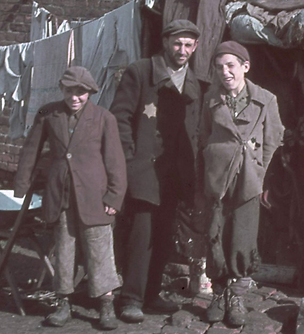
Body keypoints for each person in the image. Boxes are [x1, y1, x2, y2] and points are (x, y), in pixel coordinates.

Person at [14, 66, 127, 330]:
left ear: (90, 92)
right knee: (64, 250)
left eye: (80, 92)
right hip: (61, 195)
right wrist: (21, 186)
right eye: (69, 91)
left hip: (95, 196)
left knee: (99, 250)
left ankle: (106, 305)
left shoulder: (103, 118)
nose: (74, 97)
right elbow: (31, 150)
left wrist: (114, 196)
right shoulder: (49, 114)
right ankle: (63, 303)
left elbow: (115, 162)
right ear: (61, 90)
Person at [110, 19, 208, 322]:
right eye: (177, 43)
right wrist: (129, 159)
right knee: (142, 234)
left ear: (195, 47)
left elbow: (192, 132)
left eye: (188, 45)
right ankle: (131, 298)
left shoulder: (194, 83)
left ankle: (151, 295)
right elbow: (120, 117)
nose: (182, 50)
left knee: (163, 235)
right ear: (165, 42)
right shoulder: (141, 71)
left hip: (175, 173)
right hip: (144, 169)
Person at [199, 41, 284, 327]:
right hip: (217, 179)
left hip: (248, 180)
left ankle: (236, 296)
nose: (225, 72)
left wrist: (257, 171)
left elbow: (273, 139)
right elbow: (203, 135)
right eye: (220, 67)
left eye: (231, 66)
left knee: (243, 238)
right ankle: (218, 294)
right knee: (216, 234)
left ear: (245, 67)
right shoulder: (210, 100)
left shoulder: (265, 100)